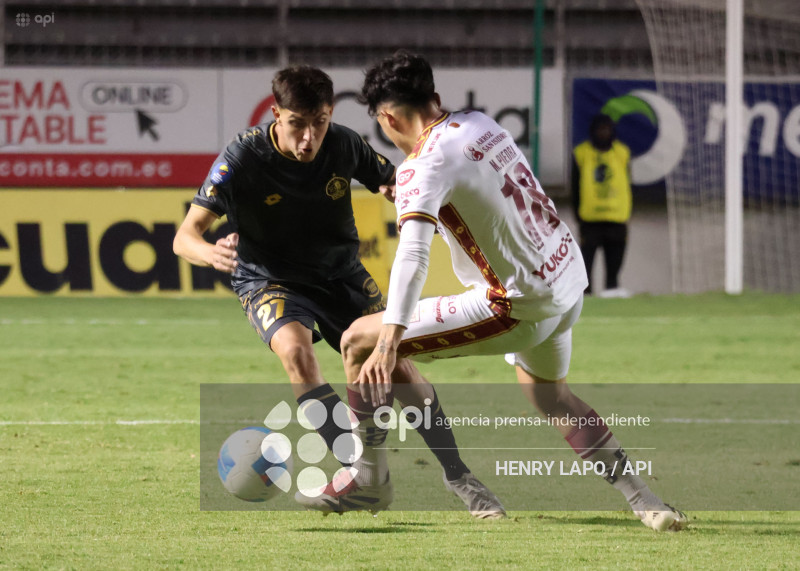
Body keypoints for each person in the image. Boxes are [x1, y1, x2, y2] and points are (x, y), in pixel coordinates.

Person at [333, 51, 686, 531]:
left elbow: (412, 257)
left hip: (517, 306)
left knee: (359, 341)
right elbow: (487, 202)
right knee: (552, 398)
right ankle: (646, 501)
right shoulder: (481, 124)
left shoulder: (421, 167)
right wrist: (420, 198)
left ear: (388, 119)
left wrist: (389, 341)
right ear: (435, 97)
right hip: (567, 280)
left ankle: (368, 479)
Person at [173, 65, 504, 518]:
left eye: (320, 122)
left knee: (399, 371)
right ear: (276, 115)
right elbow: (184, 237)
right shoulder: (243, 156)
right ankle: (362, 472)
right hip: (270, 278)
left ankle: (458, 475)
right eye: (297, 124)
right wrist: (210, 253)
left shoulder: (344, 144)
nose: (309, 138)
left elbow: (394, 180)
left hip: (341, 276)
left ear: (331, 114)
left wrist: (399, 192)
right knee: (295, 352)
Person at [571, 113, 633, 298]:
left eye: (607, 129)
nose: (603, 133)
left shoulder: (622, 153)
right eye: (600, 129)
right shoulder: (581, 153)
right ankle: (586, 303)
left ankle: (611, 302)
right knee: (585, 273)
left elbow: (629, 185)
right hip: (590, 221)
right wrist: (578, 215)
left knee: (613, 273)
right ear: (592, 131)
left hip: (617, 220)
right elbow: (575, 187)